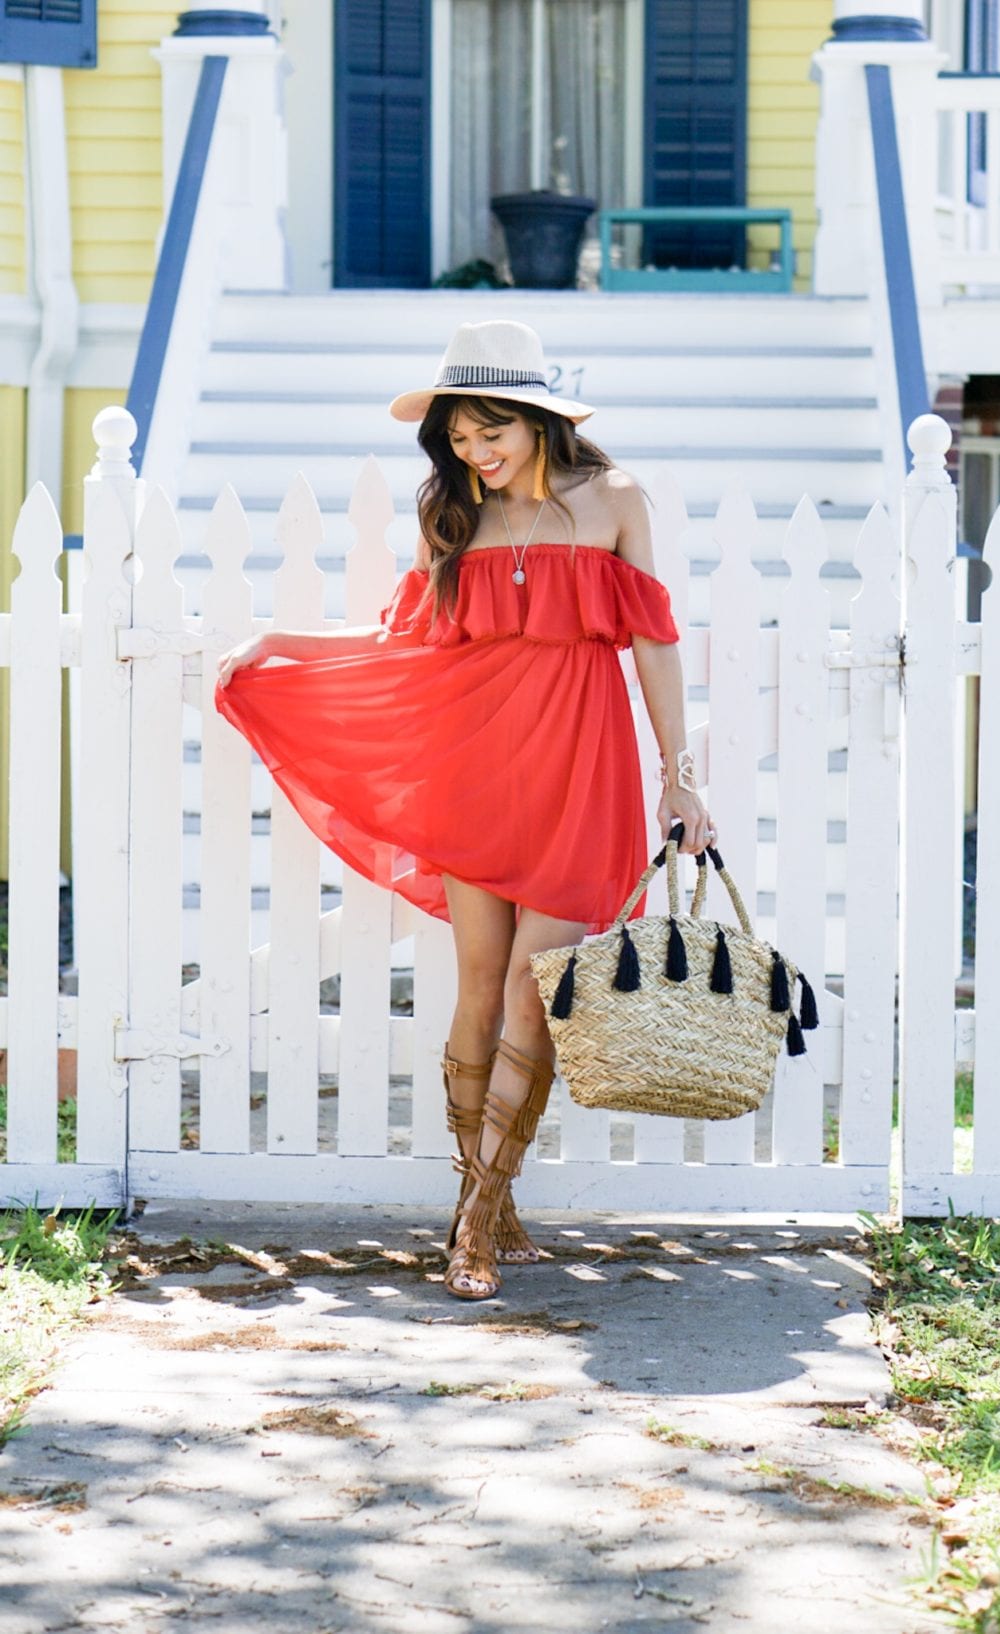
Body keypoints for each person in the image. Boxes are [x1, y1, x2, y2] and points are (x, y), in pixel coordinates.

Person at [216, 319, 715, 1301]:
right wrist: (286, 640)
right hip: (476, 766)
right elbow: (405, 641)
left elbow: (653, 639)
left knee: (538, 993)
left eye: (492, 432)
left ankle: (475, 1219)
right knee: (479, 986)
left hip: (582, 766)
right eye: (459, 438)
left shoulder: (613, 500)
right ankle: (487, 1204)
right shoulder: (455, 517)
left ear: (536, 418)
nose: (476, 453)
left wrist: (680, 772)